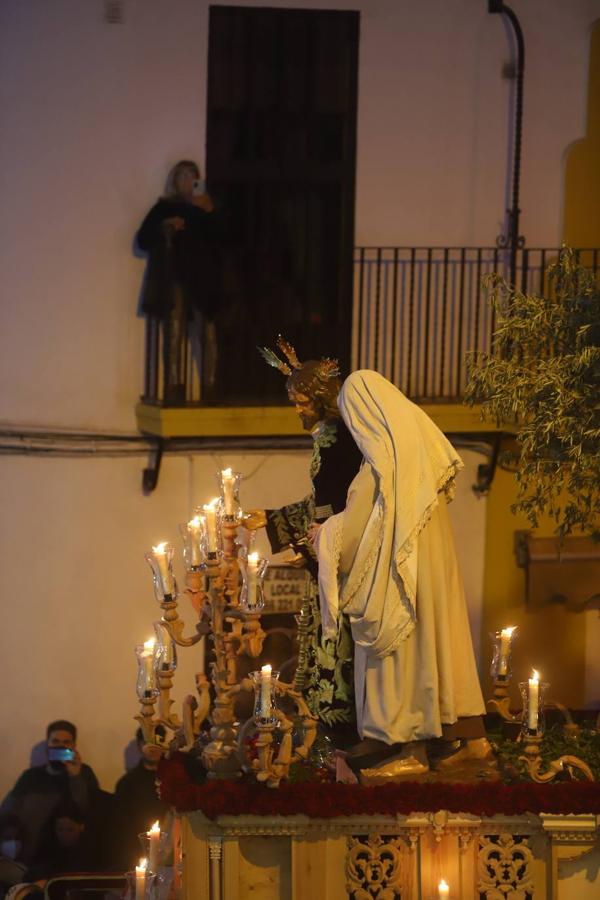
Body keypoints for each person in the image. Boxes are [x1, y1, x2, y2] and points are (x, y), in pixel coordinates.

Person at [314, 370, 490, 777]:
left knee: (400, 659)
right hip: (434, 584)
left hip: (397, 586)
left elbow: (354, 534)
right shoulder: (421, 463)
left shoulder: (380, 471)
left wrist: (322, 534)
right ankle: (462, 735)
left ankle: (403, 746)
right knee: (440, 649)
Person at [244, 337, 363, 741]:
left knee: (336, 643)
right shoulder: (328, 439)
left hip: (341, 561)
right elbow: (319, 505)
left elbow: (341, 510)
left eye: (301, 402)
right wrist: (271, 519)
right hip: (326, 554)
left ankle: (340, 735)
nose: (297, 410)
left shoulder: (340, 442)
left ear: (321, 398)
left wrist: (307, 549)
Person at [137, 160, 222, 404]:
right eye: (182, 176)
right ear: (174, 180)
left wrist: (210, 211)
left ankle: (210, 387)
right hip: (174, 275)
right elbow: (143, 238)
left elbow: (221, 237)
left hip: (203, 278)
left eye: (192, 176)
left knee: (208, 330)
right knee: (174, 329)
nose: (187, 181)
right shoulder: (164, 207)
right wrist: (165, 226)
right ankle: (173, 387)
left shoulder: (205, 207)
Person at [0, 721, 99, 865]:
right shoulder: (30, 777)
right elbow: (7, 811)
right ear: (48, 745)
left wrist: (75, 778)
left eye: (66, 742)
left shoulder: (84, 773)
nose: (61, 746)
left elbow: (89, 811)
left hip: (72, 857)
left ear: (74, 746)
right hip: (32, 856)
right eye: (55, 741)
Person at [111, 728, 169, 870]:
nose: (153, 747)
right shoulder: (127, 784)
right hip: (136, 855)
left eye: (157, 742)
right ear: (139, 745)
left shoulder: (175, 779)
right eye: (147, 742)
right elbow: (121, 829)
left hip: (170, 850)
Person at [25, 802, 98, 881]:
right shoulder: (47, 851)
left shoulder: (90, 853)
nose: (65, 834)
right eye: (60, 830)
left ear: (81, 827)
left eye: (70, 830)